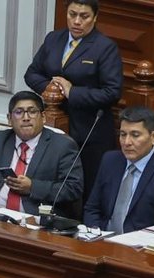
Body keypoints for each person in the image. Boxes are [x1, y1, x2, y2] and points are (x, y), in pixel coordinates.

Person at [24, 1, 122, 193]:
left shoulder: (105, 47)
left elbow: (112, 92)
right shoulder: (54, 39)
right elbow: (32, 73)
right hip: (52, 124)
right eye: (72, 14)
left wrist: (72, 92)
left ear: (95, 17)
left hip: (89, 131)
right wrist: (51, 88)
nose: (77, 21)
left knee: (86, 188)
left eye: (84, 16)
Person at [0, 91, 82, 218]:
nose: (26, 117)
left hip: (35, 220)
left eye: (32, 111)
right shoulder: (0, 139)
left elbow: (73, 189)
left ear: (43, 117)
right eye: (19, 112)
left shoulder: (62, 146)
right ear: (9, 119)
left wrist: (32, 187)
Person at [82, 105, 154, 232]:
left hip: (139, 247)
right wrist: (96, 234)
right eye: (123, 134)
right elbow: (92, 209)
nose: (127, 142)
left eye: (135, 135)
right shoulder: (110, 160)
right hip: (101, 241)